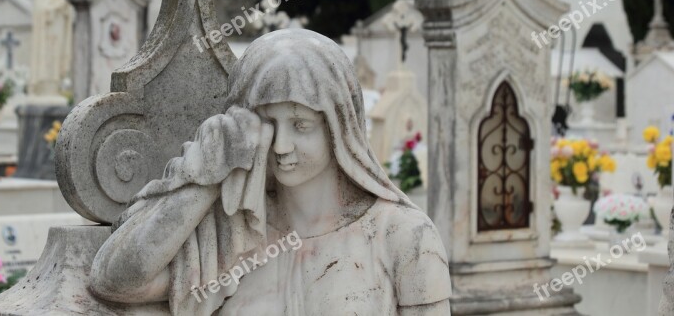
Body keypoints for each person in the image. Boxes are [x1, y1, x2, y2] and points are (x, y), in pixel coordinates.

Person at [90, 29, 451, 315]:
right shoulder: (230, 232)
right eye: (266, 123)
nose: (280, 145)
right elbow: (115, 281)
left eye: (300, 124)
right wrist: (205, 176)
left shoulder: (402, 238)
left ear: (338, 128)